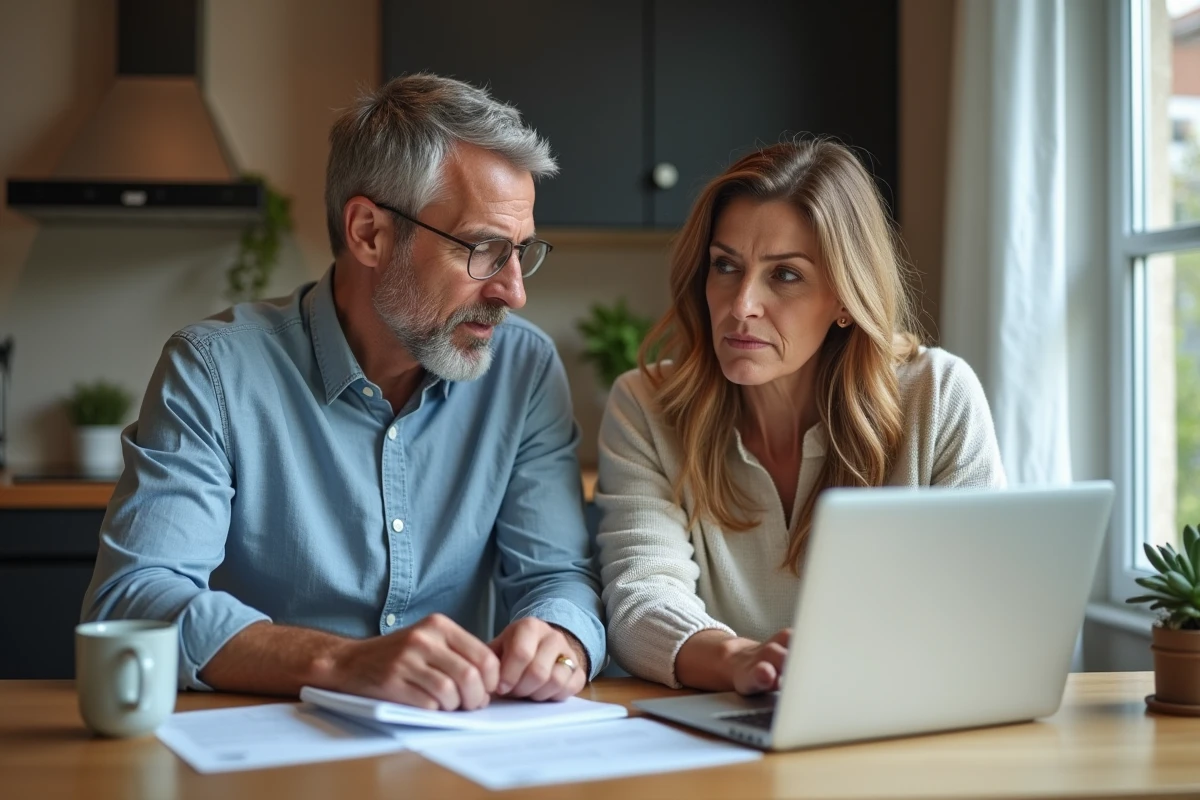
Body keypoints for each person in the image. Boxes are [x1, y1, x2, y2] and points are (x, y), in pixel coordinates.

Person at [82, 73, 605, 711]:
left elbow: (557, 578)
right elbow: (136, 597)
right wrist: (342, 662)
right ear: (368, 233)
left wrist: (558, 639)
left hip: (455, 751)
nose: (513, 291)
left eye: (521, 252)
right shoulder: (214, 372)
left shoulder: (523, 370)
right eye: (482, 250)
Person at [596, 138, 1006, 694]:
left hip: (894, 721)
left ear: (843, 296)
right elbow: (641, 599)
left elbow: (976, 605)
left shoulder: (937, 394)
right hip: (718, 728)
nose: (742, 305)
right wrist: (743, 660)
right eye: (725, 266)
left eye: (785, 275)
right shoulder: (647, 403)